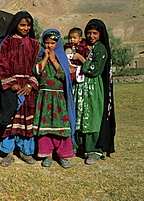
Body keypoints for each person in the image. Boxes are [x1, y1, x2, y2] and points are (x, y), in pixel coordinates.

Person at [0, 11, 39, 167]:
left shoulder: (35, 44)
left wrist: (30, 85)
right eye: (22, 25)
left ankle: (26, 152)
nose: (26, 28)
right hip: (12, 88)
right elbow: (2, 65)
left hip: (28, 90)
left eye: (28, 25)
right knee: (11, 119)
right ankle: (8, 153)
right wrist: (12, 83)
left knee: (27, 121)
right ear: (15, 25)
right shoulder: (7, 43)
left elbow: (39, 67)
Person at [72, 19, 116, 165]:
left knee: (92, 117)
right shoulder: (81, 45)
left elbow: (94, 70)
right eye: (89, 33)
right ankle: (78, 146)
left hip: (93, 87)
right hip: (79, 88)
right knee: (79, 115)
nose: (91, 36)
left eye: (95, 33)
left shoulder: (101, 49)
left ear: (100, 34)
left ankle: (93, 150)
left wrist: (81, 59)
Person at [33, 29, 76, 168]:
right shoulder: (40, 57)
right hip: (44, 97)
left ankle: (63, 156)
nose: (49, 46)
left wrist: (53, 60)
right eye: (47, 43)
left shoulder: (62, 58)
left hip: (58, 98)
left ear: (57, 44)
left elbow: (64, 75)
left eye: (52, 43)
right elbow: (37, 71)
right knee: (45, 127)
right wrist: (45, 59)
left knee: (61, 125)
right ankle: (47, 155)